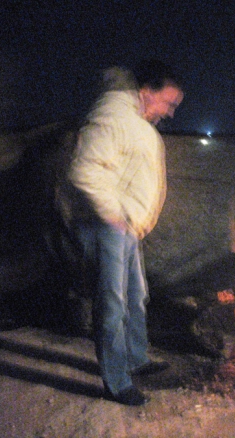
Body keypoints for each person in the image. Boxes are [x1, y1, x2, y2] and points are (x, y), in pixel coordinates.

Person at [60, 60, 184, 405]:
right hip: (106, 225)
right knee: (112, 304)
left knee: (135, 296)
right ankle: (117, 381)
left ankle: (135, 359)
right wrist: (114, 214)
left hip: (124, 227)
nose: (171, 113)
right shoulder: (114, 117)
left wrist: (130, 220)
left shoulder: (134, 122)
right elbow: (84, 170)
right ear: (147, 93)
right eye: (169, 103)